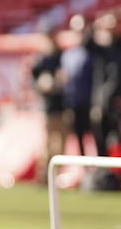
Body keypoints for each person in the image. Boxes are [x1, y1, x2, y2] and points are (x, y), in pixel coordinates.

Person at [90, 10, 121, 167]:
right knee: (100, 138)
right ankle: (103, 174)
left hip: (119, 103)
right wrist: (97, 25)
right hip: (101, 101)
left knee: (120, 139)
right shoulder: (103, 49)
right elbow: (86, 43)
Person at [58, 13, 96, 156]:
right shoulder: (69, 54)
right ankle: (85, 170)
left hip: (93, 103)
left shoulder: (96, 52)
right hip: (74, 104)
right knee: (79, 138)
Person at [30, 30, 66, 181]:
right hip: (49, 107)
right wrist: (42, 86)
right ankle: (44, 174)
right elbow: (35, 81)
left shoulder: (61, 56)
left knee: (60, 143)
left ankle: (55, 174)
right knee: (49, 142)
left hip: (63, 105)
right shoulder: (41, 59)